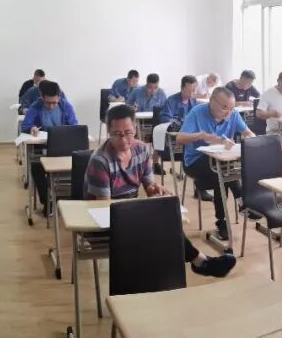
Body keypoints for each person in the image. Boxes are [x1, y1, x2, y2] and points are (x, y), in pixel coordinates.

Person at [85, 105, 236, 277]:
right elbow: (104, 207)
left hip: (127, 212)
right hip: (102, 222)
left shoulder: (141, 149)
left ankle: (197, 263)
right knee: (160, 226)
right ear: (108, 132)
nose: (124, 140)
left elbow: (149, 185)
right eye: (117, 134)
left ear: (135, 129)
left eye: (128, 133)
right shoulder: (101, 161)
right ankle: (199, 263)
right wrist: (138, 210)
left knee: (165, 218)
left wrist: (155, 189)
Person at [177, 87, 256, 241]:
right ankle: (241, 203)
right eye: (224, 108)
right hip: (195, 161)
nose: (229, 112)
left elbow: (248, 132)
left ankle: (224, 219)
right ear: (212, 101)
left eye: (232, 108)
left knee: (223, 171)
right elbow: (179, 138)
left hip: (222, 162)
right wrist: (201, 135)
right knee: (221, 173)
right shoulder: (197, 112)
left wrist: (252, 138)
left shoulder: (233, 114)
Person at [21, 80, 79, 211]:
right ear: (42, 97)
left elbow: (74, 126)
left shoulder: (66, 106)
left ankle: (73, 198)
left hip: (64, 148)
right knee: (36, 167)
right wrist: (31, 128)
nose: (52, 106)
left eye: (55, 102)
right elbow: (25, 125)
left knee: (81, 163)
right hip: (43, 149)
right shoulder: (35, 107)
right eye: (48, 103)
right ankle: (47, 201)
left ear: (59, 97)